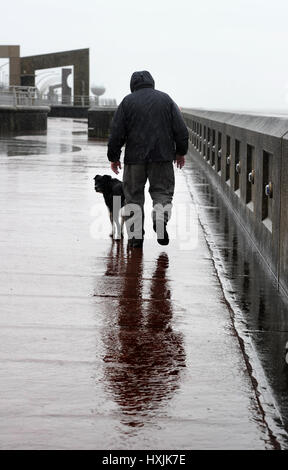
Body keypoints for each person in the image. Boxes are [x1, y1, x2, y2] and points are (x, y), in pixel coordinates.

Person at [107, 70, 188, 248]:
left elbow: (116, 132)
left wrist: (114, 156)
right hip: (162, 156)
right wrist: (180, 152)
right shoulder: (166, 100)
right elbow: (181, 129)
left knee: (133, 197)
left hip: (134, 158)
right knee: (162, 192)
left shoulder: (127, 102)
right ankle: (160, 219)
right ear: (152, 82)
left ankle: (135, 239)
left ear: (132, 85)